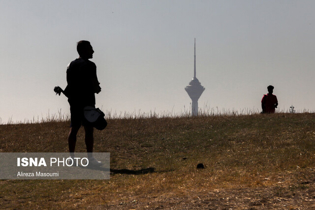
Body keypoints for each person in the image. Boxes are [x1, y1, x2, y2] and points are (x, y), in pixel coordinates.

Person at [64, 40, 102, 165]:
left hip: (74, 102)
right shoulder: (90, 65)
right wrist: (97, 89)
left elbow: (69, 84)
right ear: (84, 50)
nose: (93, 51)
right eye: (90, 48)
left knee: (73, 128)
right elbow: (94, 85)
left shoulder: (70, 65)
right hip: (87, 101)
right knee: (89, 129)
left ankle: (71, 158)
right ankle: (90, 158)